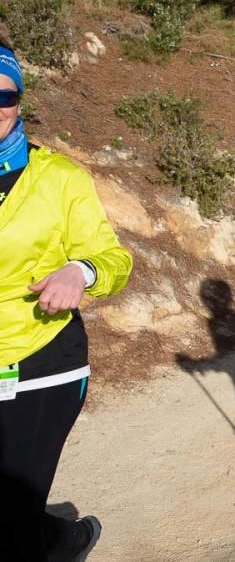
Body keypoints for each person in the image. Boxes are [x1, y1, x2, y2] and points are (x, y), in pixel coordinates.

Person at [0, 40, 133, 560]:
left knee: (9, 515)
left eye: (4, 97)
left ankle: (62, 538)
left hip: (42, 362)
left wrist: (80, 272)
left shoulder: (59, 178)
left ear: (19, 101)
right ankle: (62, 538)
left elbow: (113, 258)